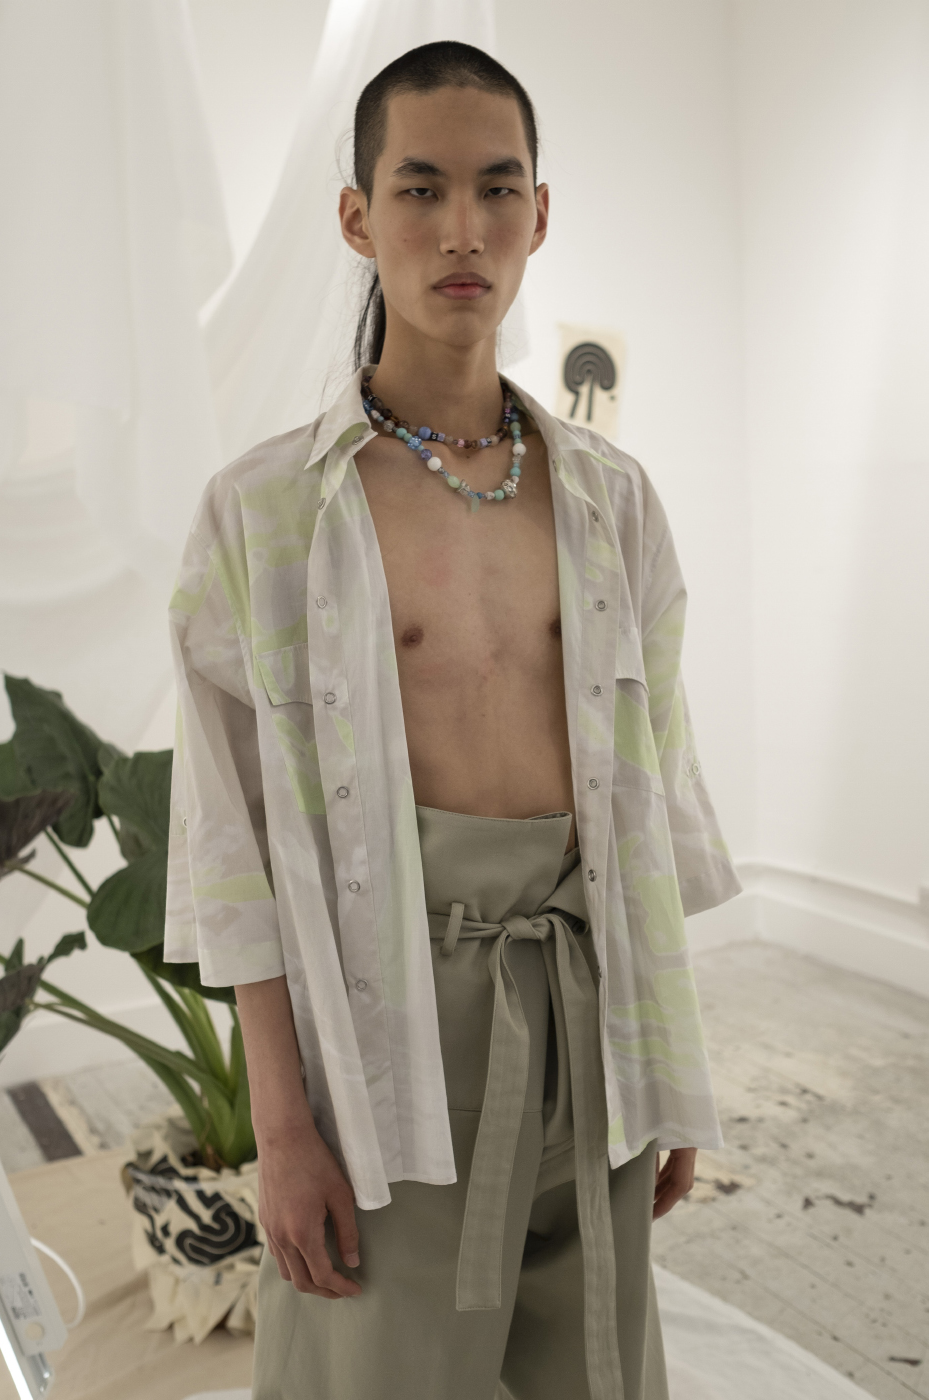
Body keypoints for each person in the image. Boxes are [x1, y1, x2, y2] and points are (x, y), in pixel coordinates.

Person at [164, 40, 742, 1400]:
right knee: (379, 1371)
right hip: (384, 1024)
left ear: (540, 213)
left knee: (594, 1371)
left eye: (497, 188)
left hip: (586, 1010)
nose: (462, 229)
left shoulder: (612, 500)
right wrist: (283, 1130)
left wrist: (669, 1062)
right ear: (357, 217)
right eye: (419, 189)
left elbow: (649, 798)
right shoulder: (267, 511)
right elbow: (234, 847)